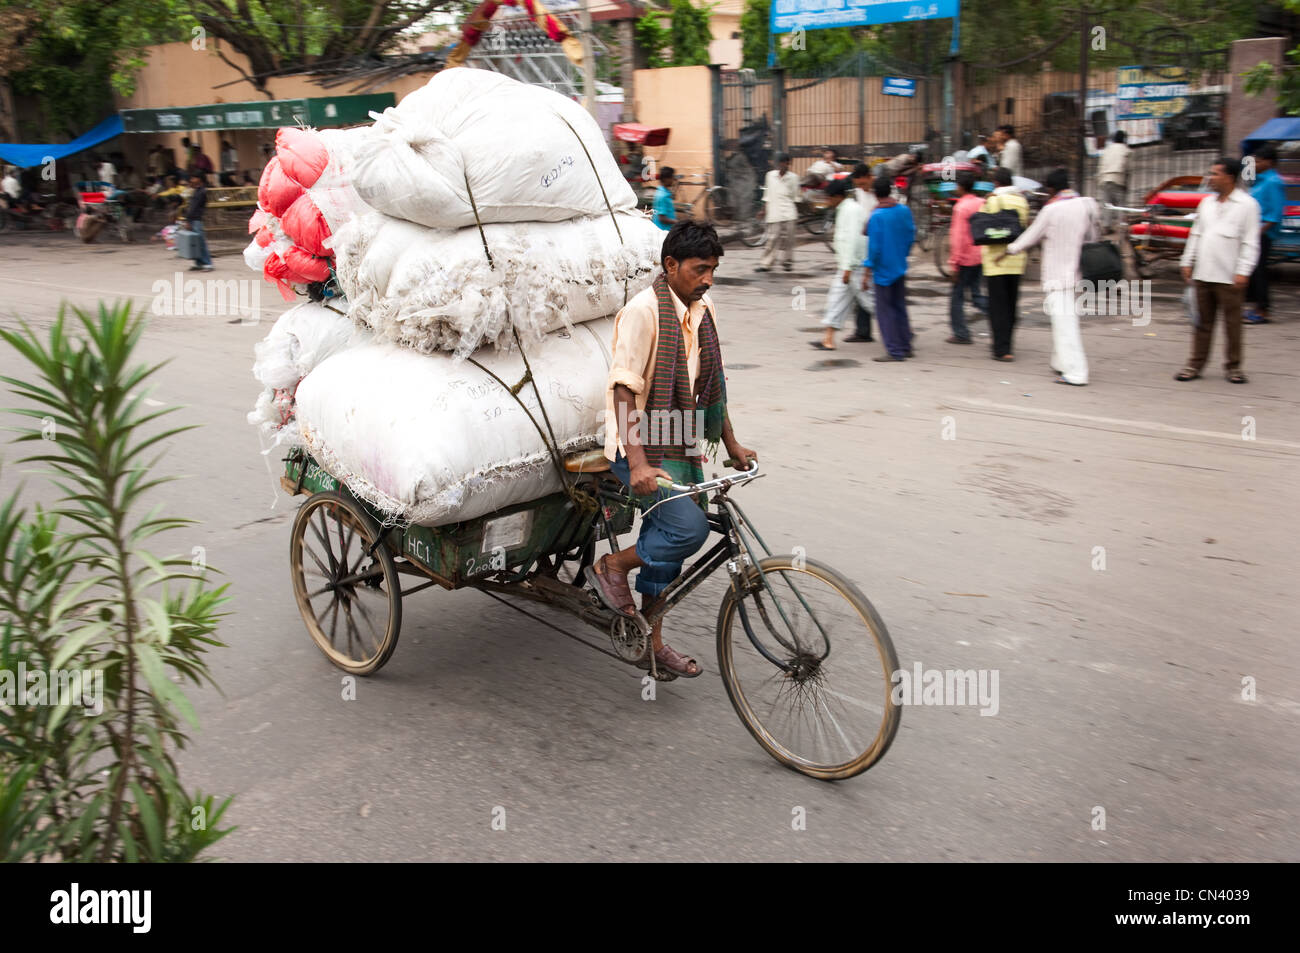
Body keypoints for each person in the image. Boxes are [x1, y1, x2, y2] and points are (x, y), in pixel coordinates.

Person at [590, 221, 757, 679]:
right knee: (686, 530)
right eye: (700, 269)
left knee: (669, 546)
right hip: (637, 446)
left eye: (713, 271)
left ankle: (652, 641)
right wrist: (639, 463)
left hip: (679, 437)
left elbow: (712, 385)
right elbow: (623, 391)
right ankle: (612, 566)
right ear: (671, 265)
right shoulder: (643, 313)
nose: (707, 280)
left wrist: (731, 442)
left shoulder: (704, 310)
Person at [1002, 168, 1098, 385]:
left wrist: (1010, 249)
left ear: (1051, 188)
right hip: (1079, 271)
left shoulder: (1051, 210)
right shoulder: (1086, 204)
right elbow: (1093, 236)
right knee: (1064, 321)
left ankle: (1076, 373)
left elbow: (1030, 236)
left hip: (1058, 274)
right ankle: (1060, 363)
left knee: (1066, 325)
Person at [1175, 157, 1260, 384]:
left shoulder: (1247, 205)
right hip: (1204, 273)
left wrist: (1243, 271)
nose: (1210, 178)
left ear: (1229, 178)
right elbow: (1196, 234)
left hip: (1230, 276)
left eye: (1215, 174)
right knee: (1202, 323)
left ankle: (1234, 367)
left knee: (1232, 325)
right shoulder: (1206, 204)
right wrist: (1186, 261)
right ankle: (1195, 364)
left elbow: (1251, 242)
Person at [814, 178, 873, 349]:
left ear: (838, 196)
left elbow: (853, 241)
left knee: (873, 303)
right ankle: (828, 339)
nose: (827, 201)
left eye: (829, 198)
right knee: (836, 300)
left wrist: (847, 268)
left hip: (855, 266)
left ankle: (902, 332)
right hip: (848, 266)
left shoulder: (851, 211)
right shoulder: (845, 209)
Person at [862, 175, 915, 361]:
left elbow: (874, 248)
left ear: (876, 195)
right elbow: (911, 235)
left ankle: (895, 350)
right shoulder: (903, 210)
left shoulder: (876, 216)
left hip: (883, 269)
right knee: (899, 307)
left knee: (885, 311)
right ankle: (906, 345)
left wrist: (867, 271)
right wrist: (903, 253)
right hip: (899, 265)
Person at [979, 167, 1030, 361]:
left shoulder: (993, 200)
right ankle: (1008, 346)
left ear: (996, 183)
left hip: (996, 261)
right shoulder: (1022, 201)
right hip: (1016, 260)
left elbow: (981, 222)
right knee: (1010, 305)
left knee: (997, 306)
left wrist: (988, 200)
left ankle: (1001, 349)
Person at [946, 170, 989, 345]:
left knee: (957, 298)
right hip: (980, 255)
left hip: (965, 259)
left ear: (961, 187)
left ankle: (961, 333)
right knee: (976, 293)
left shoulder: (960, 207)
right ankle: (996, 310)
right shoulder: (983, 202)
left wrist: (954, 264)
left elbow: (957, 238)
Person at [1245, 144, 1283, 324]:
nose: (1255, 164)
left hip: (1262, 234)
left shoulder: (1273, 182)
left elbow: (1274, 214)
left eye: (1259, 161)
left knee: (1260, 271)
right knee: (1254, 270)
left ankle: (1263, 311)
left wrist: (1257, 233)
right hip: (1255, 232)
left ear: (1269, 162)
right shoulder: (1261, 180)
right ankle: (1256, 306)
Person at [756, 153, 800, 272]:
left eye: (784, 163)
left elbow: (795, 196)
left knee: (789, 239)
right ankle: (765, 264)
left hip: (789, 211)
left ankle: (787, 262)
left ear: (788, 163)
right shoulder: (770, 176)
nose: (782, 165)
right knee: (772, 238)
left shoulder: (794, 177)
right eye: (780, 163)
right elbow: (767, 195)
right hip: (774, 211)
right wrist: (763, 210)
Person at [1097, 130, 1130, 232]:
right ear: (1124, 140)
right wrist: (1126, 183)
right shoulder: (1126, 151)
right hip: (1118, 178)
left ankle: (1106, 226)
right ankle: (1121, 226)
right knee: (1120, 204)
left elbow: (1101, 165)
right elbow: (1128, 168)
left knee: (1106, 203)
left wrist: (1099, 180)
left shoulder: (1107, 150)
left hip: (1104, 178)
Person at [183, 173, 213, 271]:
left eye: (193, 177)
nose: (191, 180)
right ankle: (199, 262)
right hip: (193, 219)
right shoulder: (197, 191)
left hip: (196, 219)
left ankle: (208, 263)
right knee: (195, 242)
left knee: (200, 242)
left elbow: (194, 208)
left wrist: (188, 219)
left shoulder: (201, 192)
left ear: (199, 179)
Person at [651, 166, 676, 231]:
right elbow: (662, 218)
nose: (673, 180)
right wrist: (677, 223)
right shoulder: (662, 196)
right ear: (666, 179)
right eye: (672, 177)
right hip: (662, 230)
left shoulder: (662, 192)